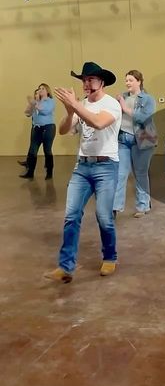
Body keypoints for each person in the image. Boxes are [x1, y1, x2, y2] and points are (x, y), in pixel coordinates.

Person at [44, 62, 122, 283]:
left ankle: (110, 257)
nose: (86, 84)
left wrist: (75, 105)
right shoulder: (82, 105)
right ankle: (66, 265)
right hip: (82, 167)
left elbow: (98, 122)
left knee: (104, 217)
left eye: (90, 80)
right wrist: (70, 111)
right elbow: (63, 130)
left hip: (106, 167)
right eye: (84, 80)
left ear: (102, 82)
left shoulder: (111, 104)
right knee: (71, 216)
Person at [113, 70, 157, 218]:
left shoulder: (148, 99)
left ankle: (143, 206)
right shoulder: (122, 97)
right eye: (126, 80)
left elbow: (144, 117)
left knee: (140, 173)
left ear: (139, 81)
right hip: (123, 139)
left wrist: (125, 109)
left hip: (143, 139)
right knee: (120, 173)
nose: (127, 83)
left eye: (131, 80)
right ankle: (115, 207)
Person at [19, 83, 56, 181]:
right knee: (33, 150)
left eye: (43, 88)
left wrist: (34, 103)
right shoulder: (36, 102)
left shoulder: (50, 101)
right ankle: (30, 172)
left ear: (47, 91)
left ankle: (49, 172)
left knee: (47, 150)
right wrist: (31, 104)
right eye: (39, 88)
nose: (40, 90)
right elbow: (27, 113)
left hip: (48, 128)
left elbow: (45, 111)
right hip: (36, 128)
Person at [18, 88, 40, 168]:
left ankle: (48, 167)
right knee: (32, 146)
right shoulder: (33, 104)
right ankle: (28, 162)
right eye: (35, 93)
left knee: (37, 148)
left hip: (44, 128)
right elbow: (27, 114)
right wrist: (30, 105)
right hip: (34, 127)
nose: (36, 95)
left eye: (38, 93)